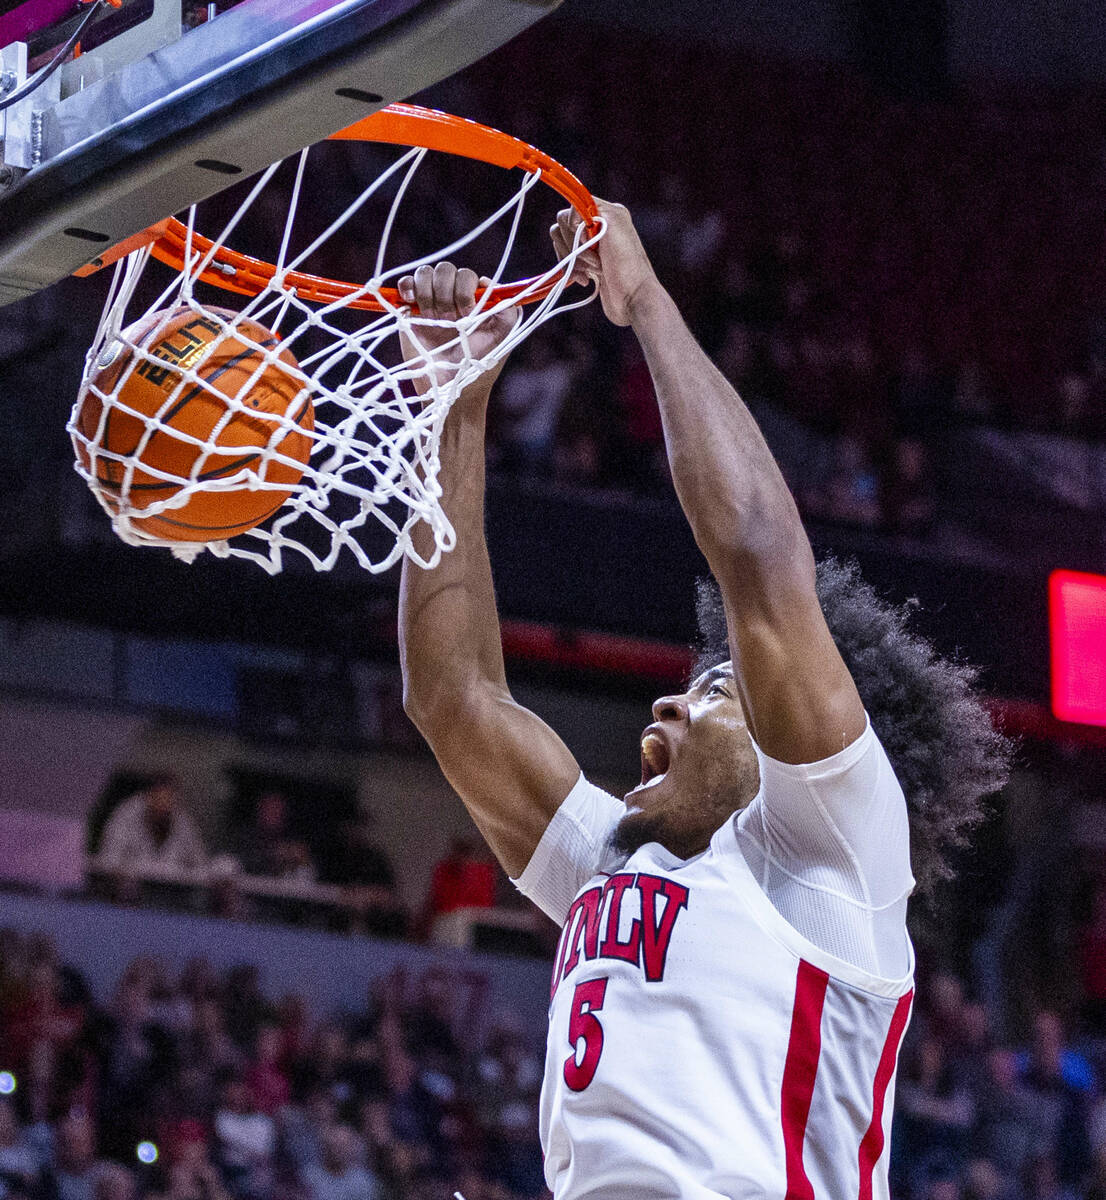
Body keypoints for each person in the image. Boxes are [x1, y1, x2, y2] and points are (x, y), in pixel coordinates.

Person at [396, 203, 1011, 1198]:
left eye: (709, 690)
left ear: (782, 745)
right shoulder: (612, 863)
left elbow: (760, 557)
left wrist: (643, 304)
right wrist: (453, 408)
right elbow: (452, 696)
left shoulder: (831, 859)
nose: (662, 712)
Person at [96, 776, 207, 873]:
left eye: (169, 802)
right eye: (159, 800)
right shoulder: (125, 816)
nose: (163, 808)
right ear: (148, 797)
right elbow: (107, 861)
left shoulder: (182, 821)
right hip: (132, 889)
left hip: (172, 890)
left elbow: (200, 866)